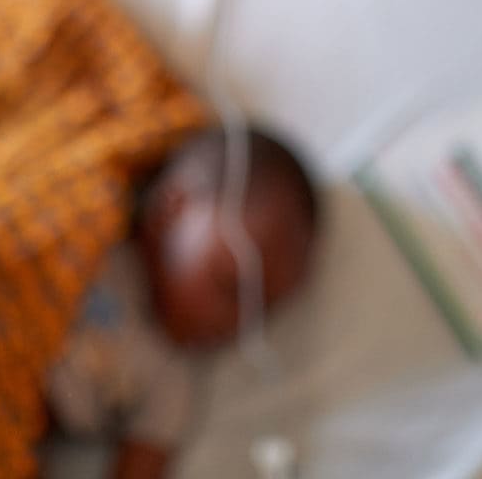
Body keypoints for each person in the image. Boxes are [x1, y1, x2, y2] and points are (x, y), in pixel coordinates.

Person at [47, 124, 320, 479]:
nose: (236, 324)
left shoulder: (173, 382)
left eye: (262, 313)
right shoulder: (97, 245)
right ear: (173, 209)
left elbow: (142, 465)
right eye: (230, 287)